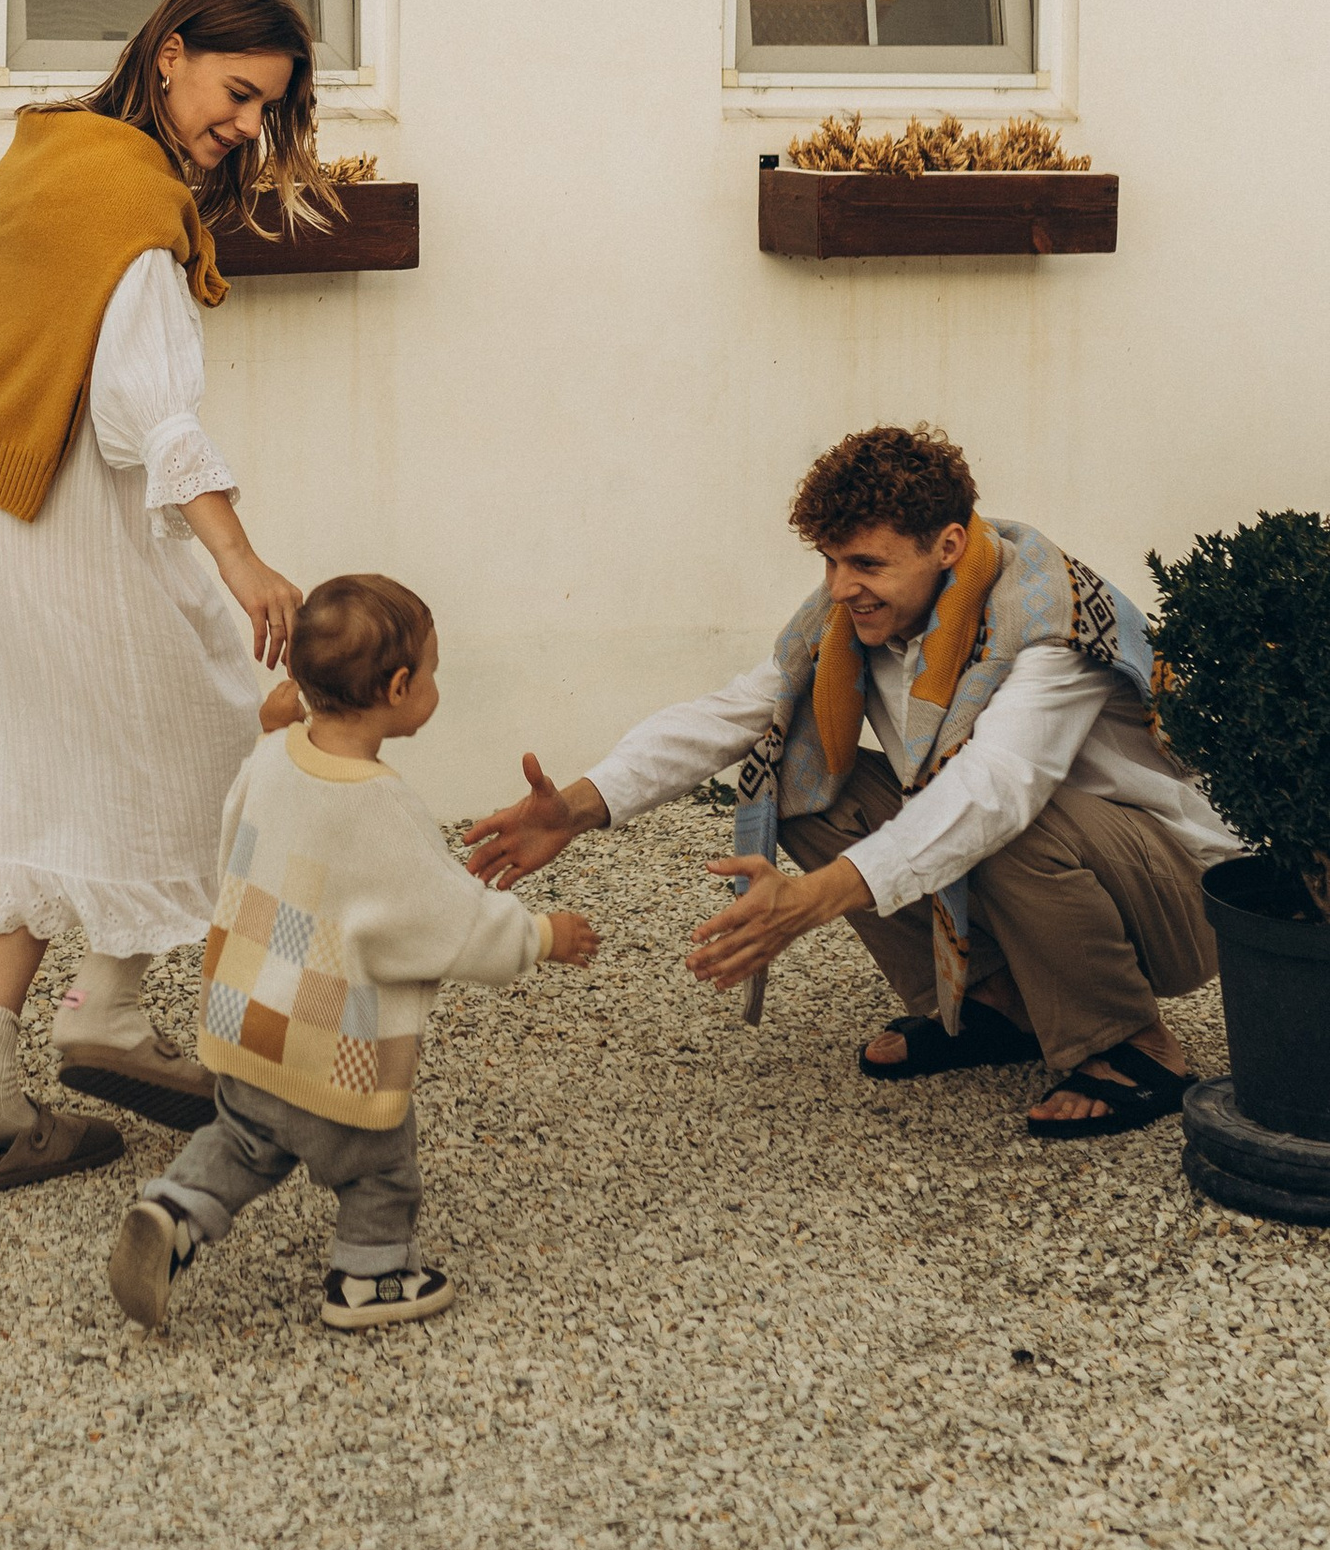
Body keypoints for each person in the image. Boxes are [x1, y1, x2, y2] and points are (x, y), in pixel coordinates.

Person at [0, 0, 319, 1199]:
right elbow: (147, 408)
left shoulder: (48, 158)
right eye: (236, 93)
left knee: (41, 779)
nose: (245, 125)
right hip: (66, 521)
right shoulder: (133, 202)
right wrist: (238, 554)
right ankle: (105, 1016)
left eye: (265, 109)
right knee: (229, 730)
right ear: (171, 53)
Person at [464, 423, 1239, 1141]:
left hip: (1182, 900)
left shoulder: (1045, 623)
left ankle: (1132, 1042)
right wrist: (577, 807)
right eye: (830, 561)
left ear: (948, 545)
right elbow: (736, 711)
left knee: (997, 816)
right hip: (1060, 864)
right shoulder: (855, 618)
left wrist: (817, 896)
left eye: (865, 564)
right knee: (799, 778)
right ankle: (994, 1004)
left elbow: (996, 789)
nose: (840, 587)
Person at [108, 575, 598, 1335]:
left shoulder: (272, 761)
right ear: (398, 687)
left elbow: (238, 833)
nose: (434, 685)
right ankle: (370, 1280)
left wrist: (270, 734)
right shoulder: (382, 808)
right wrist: (538, 936)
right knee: (379, 1170)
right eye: (430, 672)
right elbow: (447, 919)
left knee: (242, 1139)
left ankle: (174, 1210)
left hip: (249, 1026)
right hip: (333, 1051)